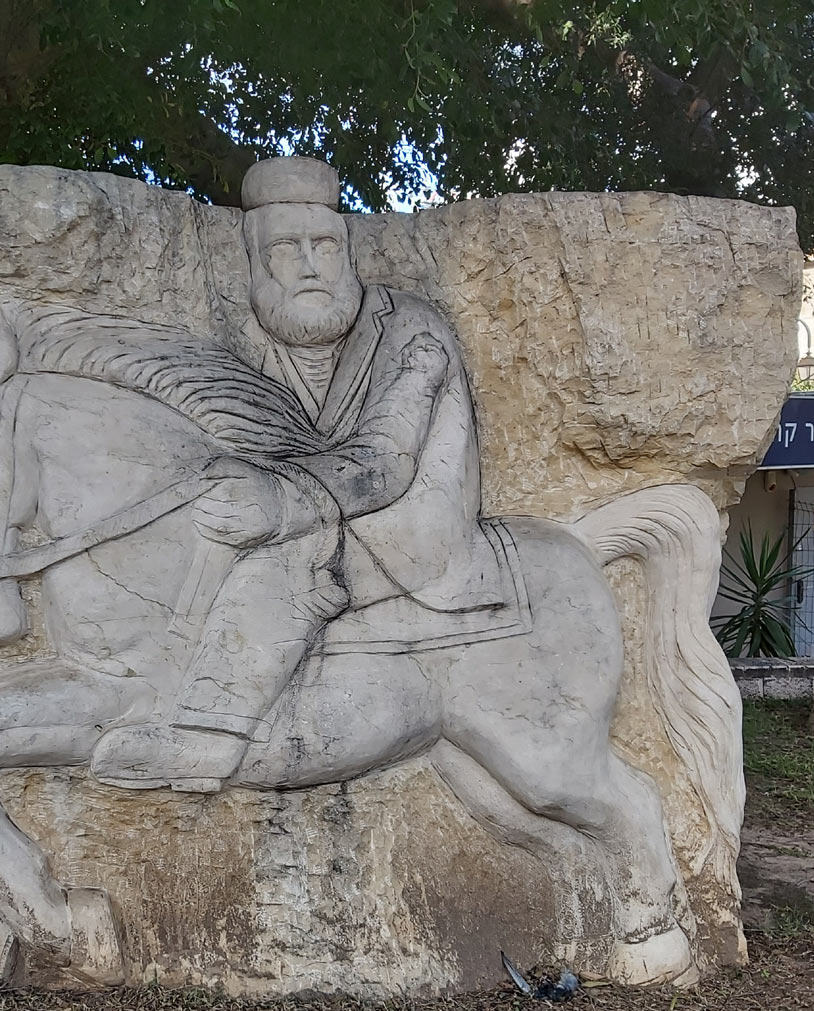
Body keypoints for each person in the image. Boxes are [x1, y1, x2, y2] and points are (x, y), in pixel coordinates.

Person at [89, 156, 514, 791]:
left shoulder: (411, 327)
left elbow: (386, 462)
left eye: (325, 245)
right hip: (331, 514)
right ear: (257, 264)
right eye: (288, 249)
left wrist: (279, 503)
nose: (312, 264)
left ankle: (207, 741)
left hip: (411, 527)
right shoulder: (257, 342)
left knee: (287, 550)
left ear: (347, 251)